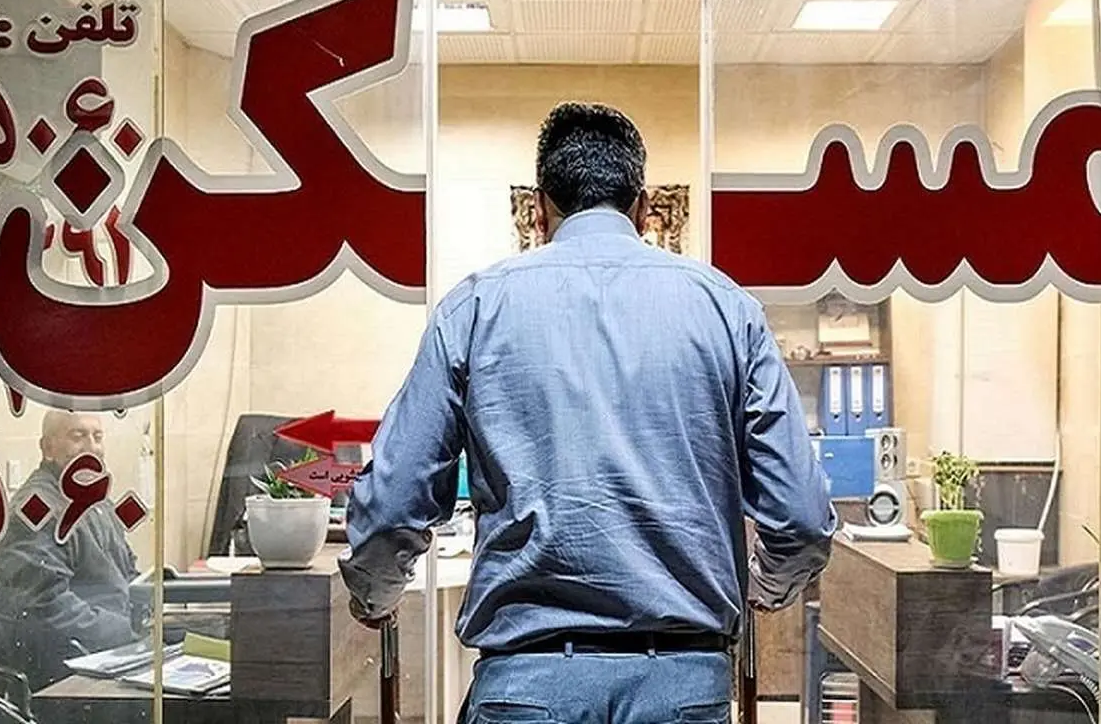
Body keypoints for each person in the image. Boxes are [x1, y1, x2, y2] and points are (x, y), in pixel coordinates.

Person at [341, 102, 837, 723]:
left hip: (525, 687)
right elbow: (802, 516)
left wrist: (375, 595)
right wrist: (765, 588)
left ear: (539, 209)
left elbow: (394, 503)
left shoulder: (475, 308)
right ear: (644, 207)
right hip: (684, 686)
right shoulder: (727, 311)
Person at [0, 410, 140, 686]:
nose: (92, 448)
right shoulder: (36, 510)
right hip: (74, 670)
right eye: (78, 436)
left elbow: (127, 572)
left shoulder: (94, 500)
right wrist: (130, 633)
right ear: (48, 448)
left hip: (116, 652)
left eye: (97, 437)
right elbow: (47, 607)